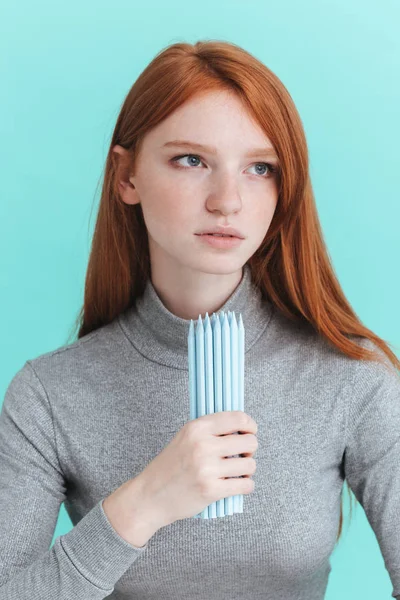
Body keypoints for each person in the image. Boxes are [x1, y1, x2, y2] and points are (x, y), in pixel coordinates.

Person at [1, 39, 399, 600]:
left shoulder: (353, 377)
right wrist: (140, 505)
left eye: (260, 168)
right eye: (191, 160)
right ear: (127, 176)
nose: (228, 200)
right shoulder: (47, 396)